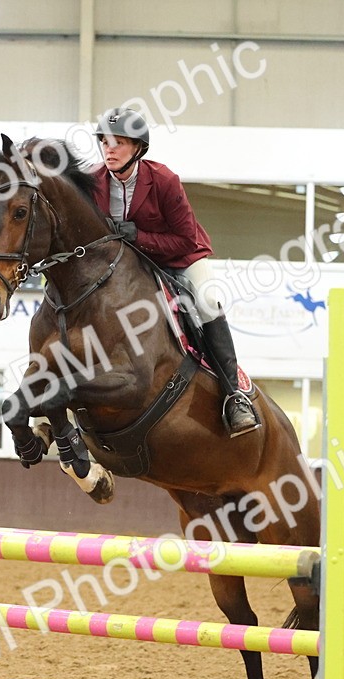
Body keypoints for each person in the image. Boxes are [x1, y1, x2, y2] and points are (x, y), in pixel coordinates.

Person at [90, 107, 259, 437]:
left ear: (138, 148)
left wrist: (139, 237)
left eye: (119, 142)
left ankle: (234, 396)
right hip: (129, 265)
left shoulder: (163, 180)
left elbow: (185, 239)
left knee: (209, 300)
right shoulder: (94, 182)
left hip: (181, 257)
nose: (109, 149)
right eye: (105, 142)